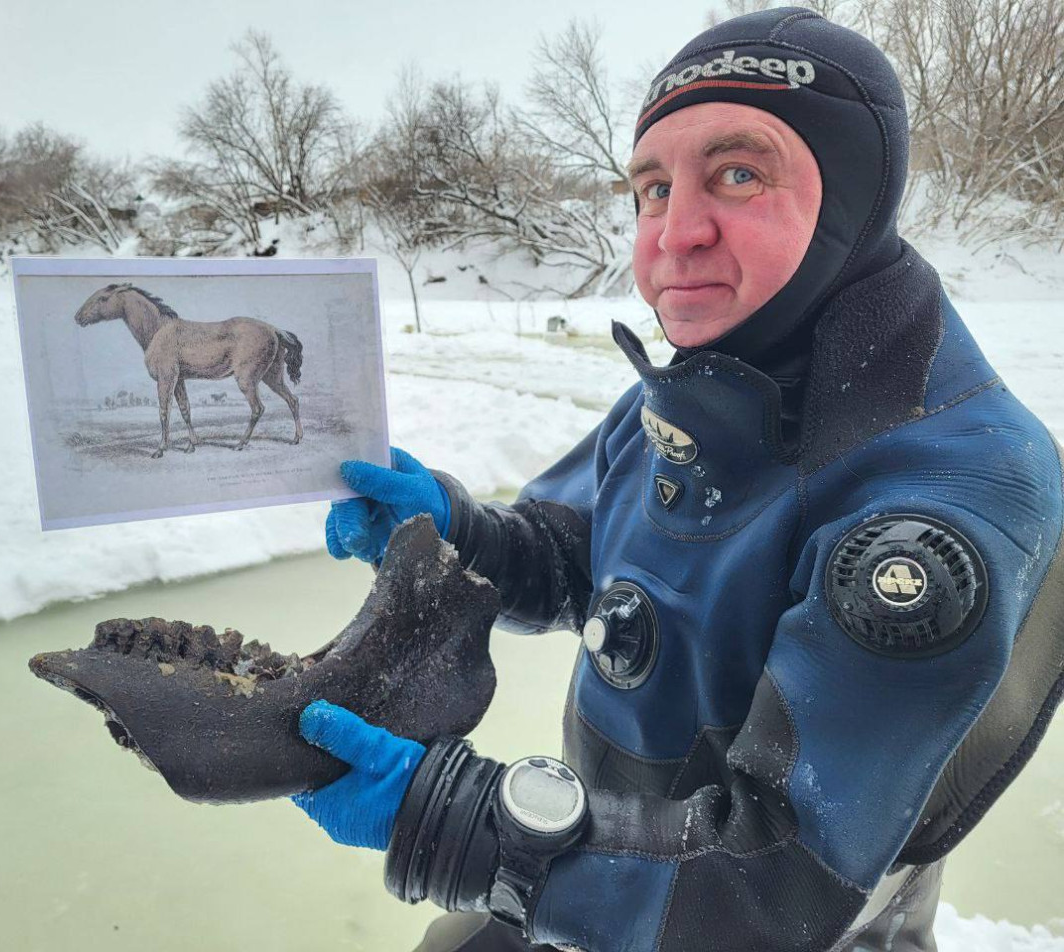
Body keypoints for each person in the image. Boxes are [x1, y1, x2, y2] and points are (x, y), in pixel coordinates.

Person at [290, 8, 1064, 951]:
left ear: (854, 203)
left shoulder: (952, 495)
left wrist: (446, 818)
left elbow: (776, 879)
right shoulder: (711, 380)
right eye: (652, 189)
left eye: (739, 174)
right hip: (604, 862)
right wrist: (454, 531)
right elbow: (580, 556)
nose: (676, 233)